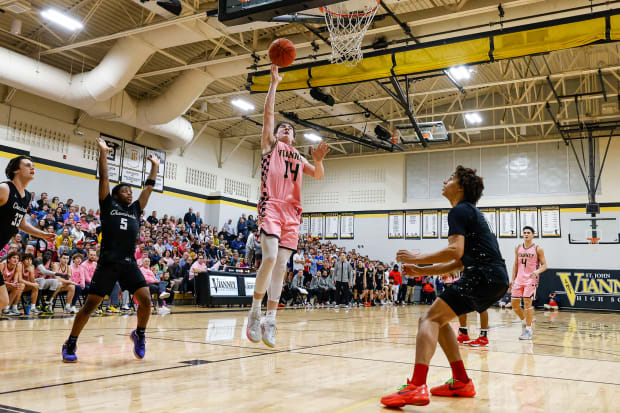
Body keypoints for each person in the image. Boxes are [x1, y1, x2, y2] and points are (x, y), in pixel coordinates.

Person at [381, 166, 509, 408]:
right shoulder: (470, 212)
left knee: (427, 320)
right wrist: (421, 271)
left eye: (450, 178)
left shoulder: (459, 211)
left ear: (460, 187)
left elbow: (454, 251)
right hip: (493, 277)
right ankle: (461, 380)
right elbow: (458, 262)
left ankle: (417, 386)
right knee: (438, 321)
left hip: (484, 274)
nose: (444, 180)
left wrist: (415, 258)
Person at [245, 64, 330, 348]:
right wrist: (273, 84)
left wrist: (317, 161)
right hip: (271, 205)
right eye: (283, 127)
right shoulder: (271, 146)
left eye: (290, 129)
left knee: (282, 266)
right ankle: (254, 313)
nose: (285, 129)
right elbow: (268, 114)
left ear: (294, 138)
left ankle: (271, 319)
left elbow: (317, 175)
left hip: (292, 212)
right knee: (269, 259)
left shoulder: (297, 156)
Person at [62, 137, 161, 363]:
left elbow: (148, 189)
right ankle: (71, 342)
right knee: (89, 306)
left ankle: (139, 334)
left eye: (130, 191)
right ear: (116, 195)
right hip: (107, 263)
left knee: (146, 301)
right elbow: (105, 177)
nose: (130, 193)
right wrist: (103, 153)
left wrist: (155, 167)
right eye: (125, 191)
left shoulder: (135, 209)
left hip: (128, 264)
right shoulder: (108, 205)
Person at [0, 156, 56, 313]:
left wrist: (42, 235)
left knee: (3, 300)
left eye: (33, 165)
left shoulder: (26, 197)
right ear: (16, 170)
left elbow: (22, 223)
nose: (33, 168)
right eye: (27, 165)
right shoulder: (5, 188)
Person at [510, 226, 547, 340]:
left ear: (533, 235)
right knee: (514, 304)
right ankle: (525, 320)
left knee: (527, 303)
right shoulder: (518, 247)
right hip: (519, 279)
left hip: (531, 279)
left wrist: (536, 271)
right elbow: (516, 264)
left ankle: (528, 329)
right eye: (524, 233)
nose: (526, 234)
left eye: (528, 233)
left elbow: (545, 265)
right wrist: (513, 279)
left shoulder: (538, 249)